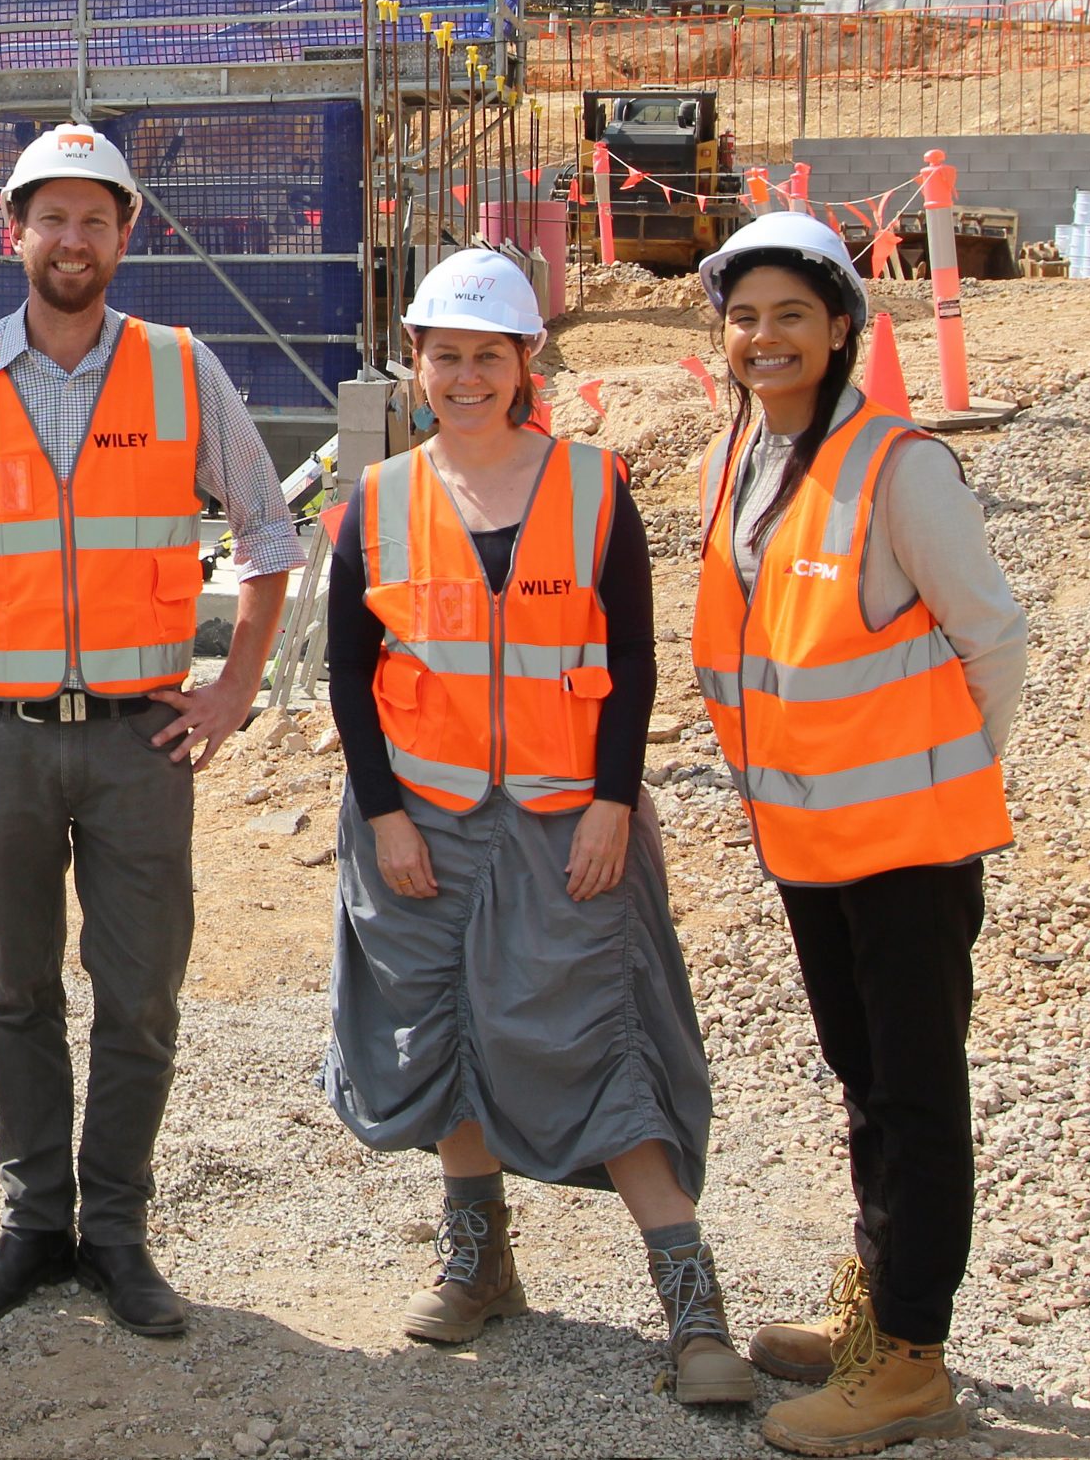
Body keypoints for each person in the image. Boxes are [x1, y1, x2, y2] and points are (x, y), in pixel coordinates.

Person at [0, 122, 301, 1338]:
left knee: (140, 996)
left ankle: (116, 1234)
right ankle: (33, 1227)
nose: (72, 239)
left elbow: (270, 537)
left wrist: (233, 689)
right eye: (50, 218)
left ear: (127, 237)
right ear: (12, 236)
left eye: (95, 218)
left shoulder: (180, 368)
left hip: (136, 745)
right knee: (18, 992)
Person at [321, 248, 748, 1403]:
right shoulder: (379, 499)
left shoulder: (594, 489)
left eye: (486, 356)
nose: (463, 376)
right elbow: (351, 677)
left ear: (526, 365)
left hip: (569, 821)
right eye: (443, 354)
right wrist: (384, 817)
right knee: (447, 1028)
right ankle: (479, 1258)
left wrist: (614, 800)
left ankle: (689, 1298)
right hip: (423, 820)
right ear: (417, 364)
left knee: (601, 1034)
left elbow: (634, 657)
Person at [690, 213, 1025, 1457]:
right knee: (863, 1083)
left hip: (904, 849)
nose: (762, 337)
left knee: (916, 1094)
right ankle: (880, 1313)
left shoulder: (899, 464)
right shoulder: (752, 454)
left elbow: (992, 640)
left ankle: (912, 1365)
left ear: (841, 327)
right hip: (809, 841)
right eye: (743, 316)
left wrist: (940, 780)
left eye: (789, 314)